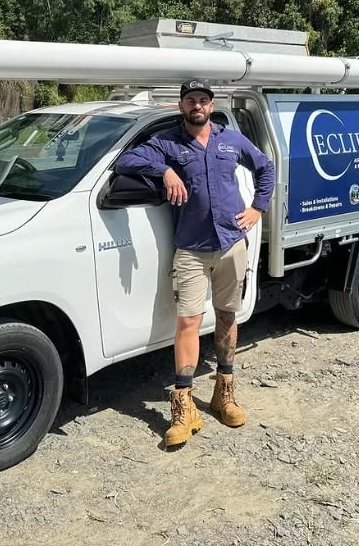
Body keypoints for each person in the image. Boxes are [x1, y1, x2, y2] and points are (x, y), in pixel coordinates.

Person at [115, 78, 275, 447]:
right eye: (191, 100)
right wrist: (166, 170)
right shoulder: (168, 143)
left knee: (227, 315)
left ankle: (224, 392)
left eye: (203, 100)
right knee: (187, 321)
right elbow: (127, 160)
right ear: (181, 105)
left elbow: (265, 168)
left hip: (231, 243)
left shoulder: (230, 140)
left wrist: (257, 209)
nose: (197, 106)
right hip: (190, 247)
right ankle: (184, 404)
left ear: (211, 104)